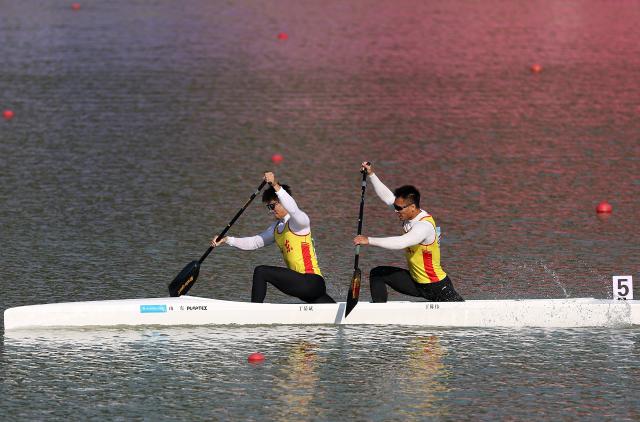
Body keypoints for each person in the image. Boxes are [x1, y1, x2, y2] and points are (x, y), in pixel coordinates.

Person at [211, 172, 335, 304]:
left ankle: (253, 312)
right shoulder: (276, 228)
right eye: (268, 207)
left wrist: (275, 185)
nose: (271, 211)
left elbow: (293, 208)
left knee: (261, 271)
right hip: (305, 288)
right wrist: (227, 239)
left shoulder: (299, 222)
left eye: (272, 206)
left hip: (311, 281)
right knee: (334, 312)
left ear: (282, 202)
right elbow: (254, 242)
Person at [353, 162, 463, 302]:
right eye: (396, 207)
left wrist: (368, 240)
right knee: (377, 274)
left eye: (399, 208)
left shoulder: (424, 226)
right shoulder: (406, 212)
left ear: (412, 207)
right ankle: (379, 312)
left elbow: (401, 242)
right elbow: (387, 197)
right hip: (415, 283)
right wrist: (371, 174)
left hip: (436, 286)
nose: (395, 210)